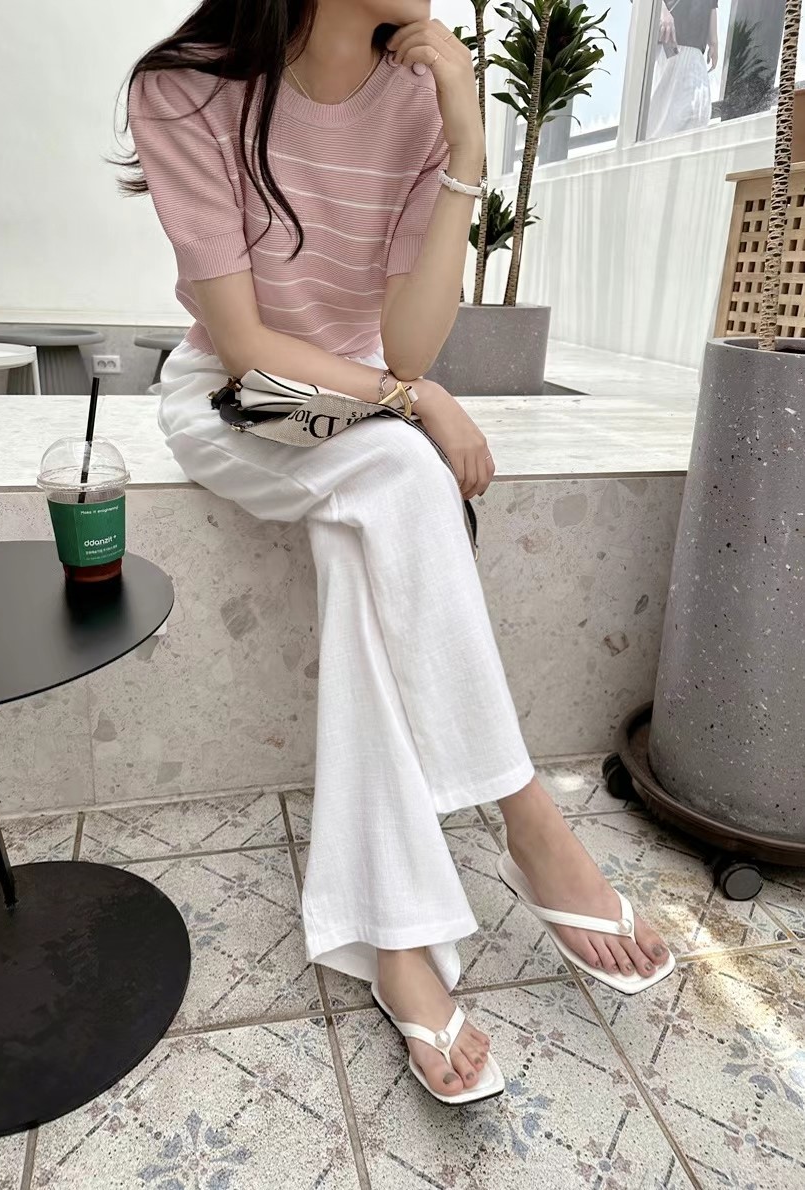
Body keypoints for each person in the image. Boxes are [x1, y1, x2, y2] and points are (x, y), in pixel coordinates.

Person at [123, 0, 674, 1104]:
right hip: (235, 400)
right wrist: (414, 400)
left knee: (363, 535)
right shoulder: (185, 88)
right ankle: (530, 820)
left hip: (363, 404)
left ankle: (397, 944)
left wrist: (466, 143)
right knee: (401, 469)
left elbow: (410, 340)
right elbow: (245, 345)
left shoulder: (421, 97)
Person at [647, 0, 720, 139]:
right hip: (670, 40)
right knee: (662, 115)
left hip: (695, 49)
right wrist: (662, 12)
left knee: (697, 111)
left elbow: (712, 4)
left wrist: (713, 41)